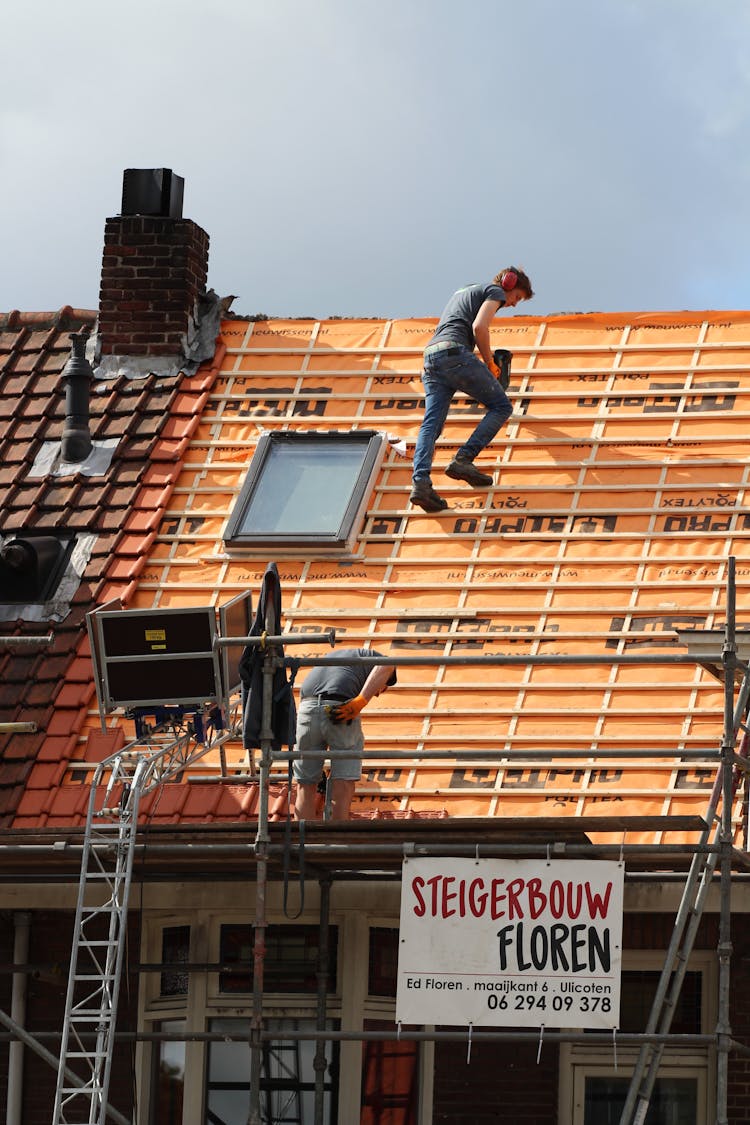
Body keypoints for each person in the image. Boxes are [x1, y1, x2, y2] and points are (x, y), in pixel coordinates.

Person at [410, 267, 534, 513]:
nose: (513, 304)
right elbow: (479, 327)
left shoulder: (466, 289)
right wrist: (489, 363)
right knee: (501, 406)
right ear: (509, 284)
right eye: (517, 297)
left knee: (431, 424)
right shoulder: (496, 291)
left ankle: (421, 484)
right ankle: (463, 460)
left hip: (431, 359)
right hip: (453, 352)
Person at [293, 648, 396, 821]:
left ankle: (303, 843)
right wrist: (361, 700)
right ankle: (337, 842)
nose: (377, 694)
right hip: (340, 706)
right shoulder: (375, 661)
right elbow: (388, 664)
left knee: (305, 784)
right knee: (343, 781)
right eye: (382, 689)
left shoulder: (336, 659)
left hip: (306, 709)